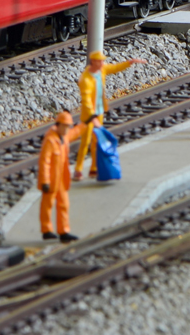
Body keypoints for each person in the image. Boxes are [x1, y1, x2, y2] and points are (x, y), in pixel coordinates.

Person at [74, 50, 145, 179]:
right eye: (100, 61)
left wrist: (129, 62)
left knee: (97, 141)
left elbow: (114, 67)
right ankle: (78, 169)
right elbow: (86, 101)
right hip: (89, 116)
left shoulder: (101, 70)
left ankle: (94, 168)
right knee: (85, 142)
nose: (103, 63)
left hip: (99, 112)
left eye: (103, 61)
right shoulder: (86, 79)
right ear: (93, 62)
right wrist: (92, 117)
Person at [37, 110, 85, 242]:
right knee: (47, 205)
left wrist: (84, 124)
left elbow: (74, 133)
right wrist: (45, 181)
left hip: (61, 180)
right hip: (52, 180)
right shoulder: (50, 140)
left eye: (68, 126)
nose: (67, 129)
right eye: (65, 126)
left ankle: (64, 231)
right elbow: (44, 161)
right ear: (58, 125)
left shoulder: (63, 137)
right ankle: (46, 230)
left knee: (64, 204)